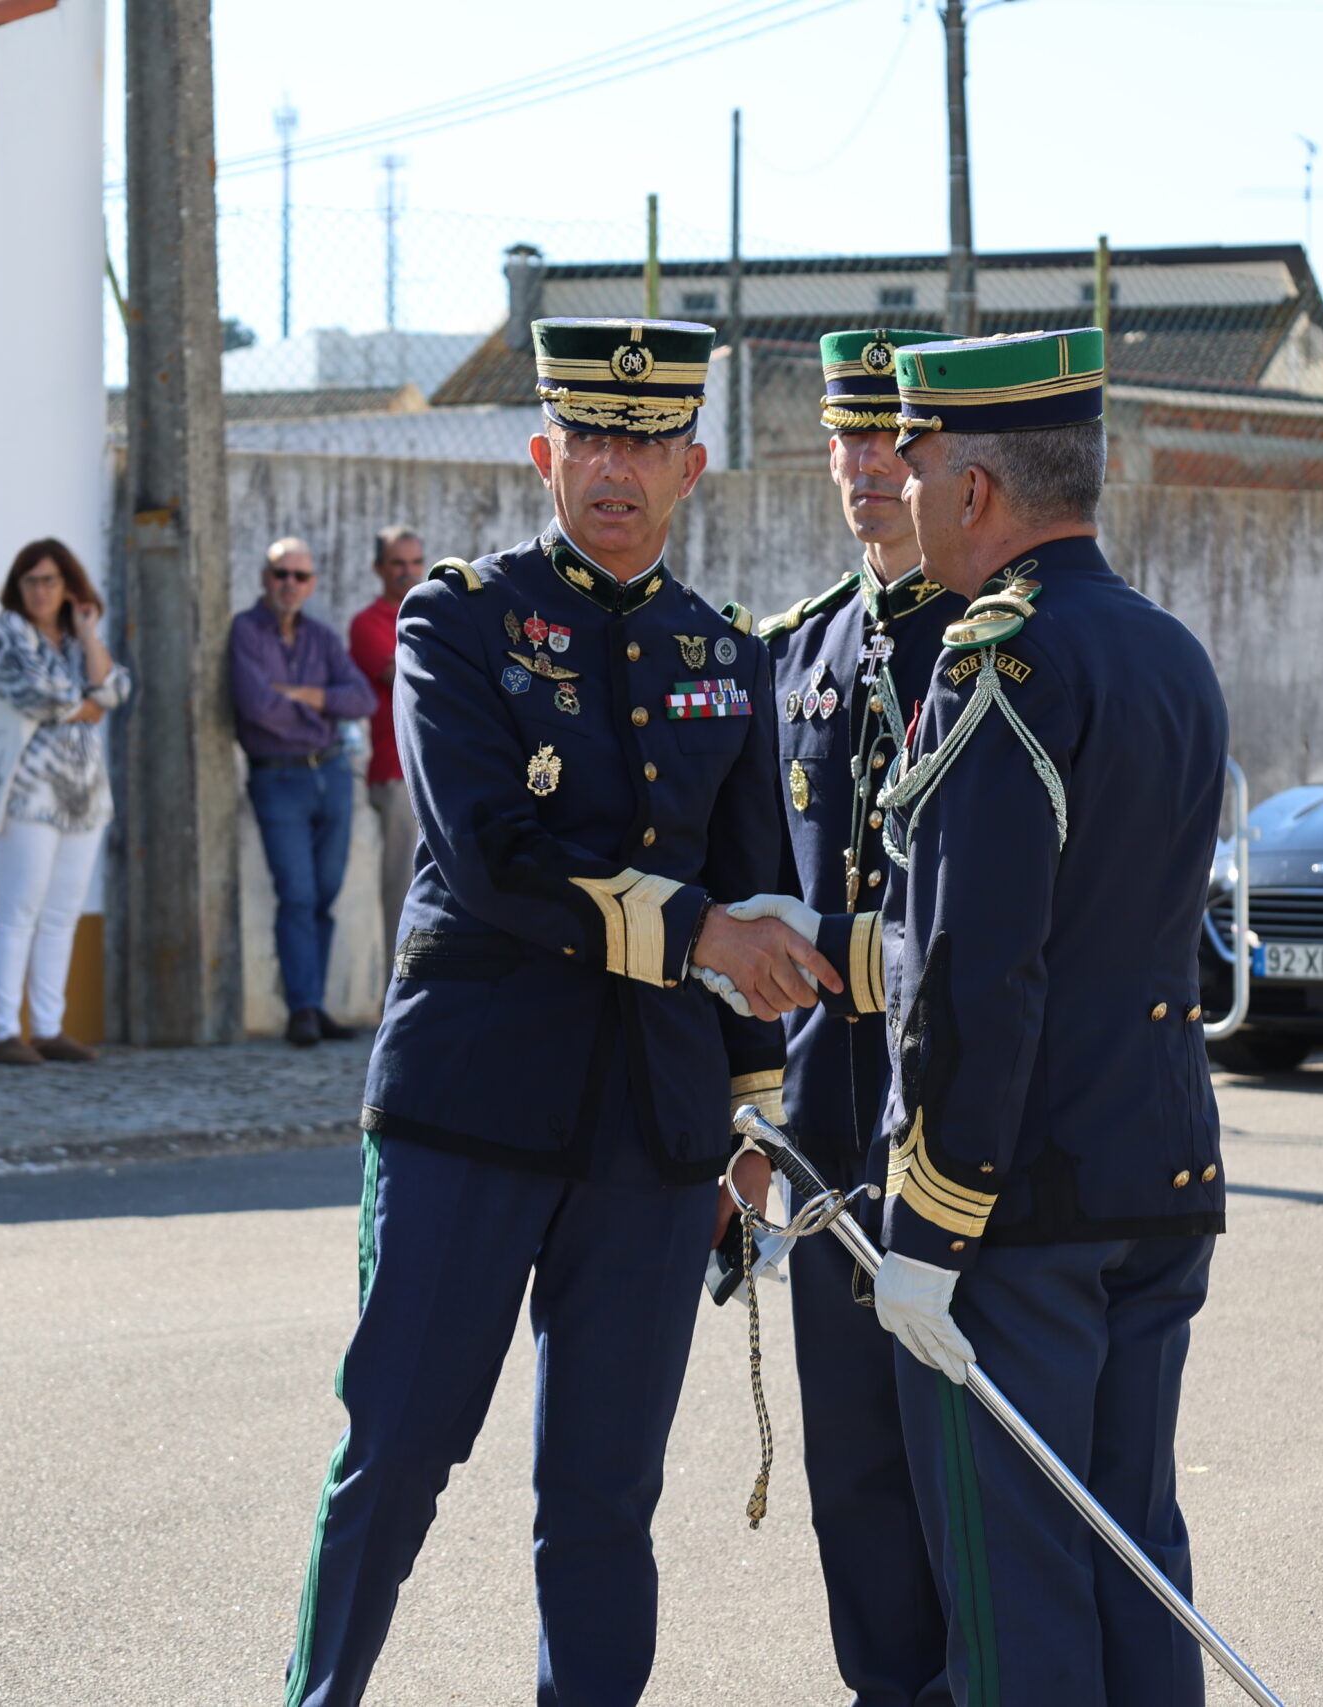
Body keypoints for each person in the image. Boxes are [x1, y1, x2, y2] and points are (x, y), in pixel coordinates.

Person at [283, 317, 841, 1707]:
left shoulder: (726, 650)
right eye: (590, 436)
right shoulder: (458, 621)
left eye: (646, 443)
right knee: (395, 1451)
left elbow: (752, 894)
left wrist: (751, 1122)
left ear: (691, 467)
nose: (615, 466)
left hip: (655, 1137)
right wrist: (696, 930)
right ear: (544, 453)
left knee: (603, 1494)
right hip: (468, 1107)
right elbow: (489, 856)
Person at [872, 326, 1228, 1707]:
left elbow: (977, 967)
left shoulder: (999, 660)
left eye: (915, 464)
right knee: (1136, 1561)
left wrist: (931, 1225)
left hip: (1018, 1206)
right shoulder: (1166, 646)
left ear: (973, 490)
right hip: (1158, 1169)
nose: (902, 489)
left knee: (1015, 1594)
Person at [741, 327, 960, 1707]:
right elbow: (760, 898)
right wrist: (748, 1118)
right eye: (847, 438)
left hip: (951, 1114)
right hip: (825, 1119)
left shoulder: (991, 640)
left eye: (894, 439)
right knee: (853, 1462)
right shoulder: (798, 650)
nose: (869, 465)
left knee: (959, 1455)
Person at [0, 537, 129, 1065]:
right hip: (26, 791)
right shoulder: (9, 630)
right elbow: (42, 695)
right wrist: (89, 703)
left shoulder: (76, 639)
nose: (39, 591)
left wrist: (88, 634)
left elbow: (116, 689)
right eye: (30, 581)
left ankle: (48, 1028)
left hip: (84, 795)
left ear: (69, 587)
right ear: (17, 587)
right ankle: (3, 1033)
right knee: (18, 910)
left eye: (49, 581)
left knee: (61, 914)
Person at [231, 535, 377, 1047]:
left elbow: (362, 700)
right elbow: (257, 708)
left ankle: (315, 1004)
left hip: (331, 774)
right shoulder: (245, 631)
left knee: (325, 895)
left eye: (299, 576)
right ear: (264, 578)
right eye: (281, 574)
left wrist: (305, 696)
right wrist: (321, 707)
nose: (289, 584)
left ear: (312, 584)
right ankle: (303, 1009)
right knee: (296, 894)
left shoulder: (321, 637)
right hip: (277, 778)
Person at [346, 525, 424, 959]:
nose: (408, 571)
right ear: (378, 568)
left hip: (440, 771)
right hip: (397, 774)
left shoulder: (435, 614)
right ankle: (399, 993)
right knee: (404, 894)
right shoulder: (367, 623)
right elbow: (408, 680)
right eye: (397, 563)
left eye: (415, 562)